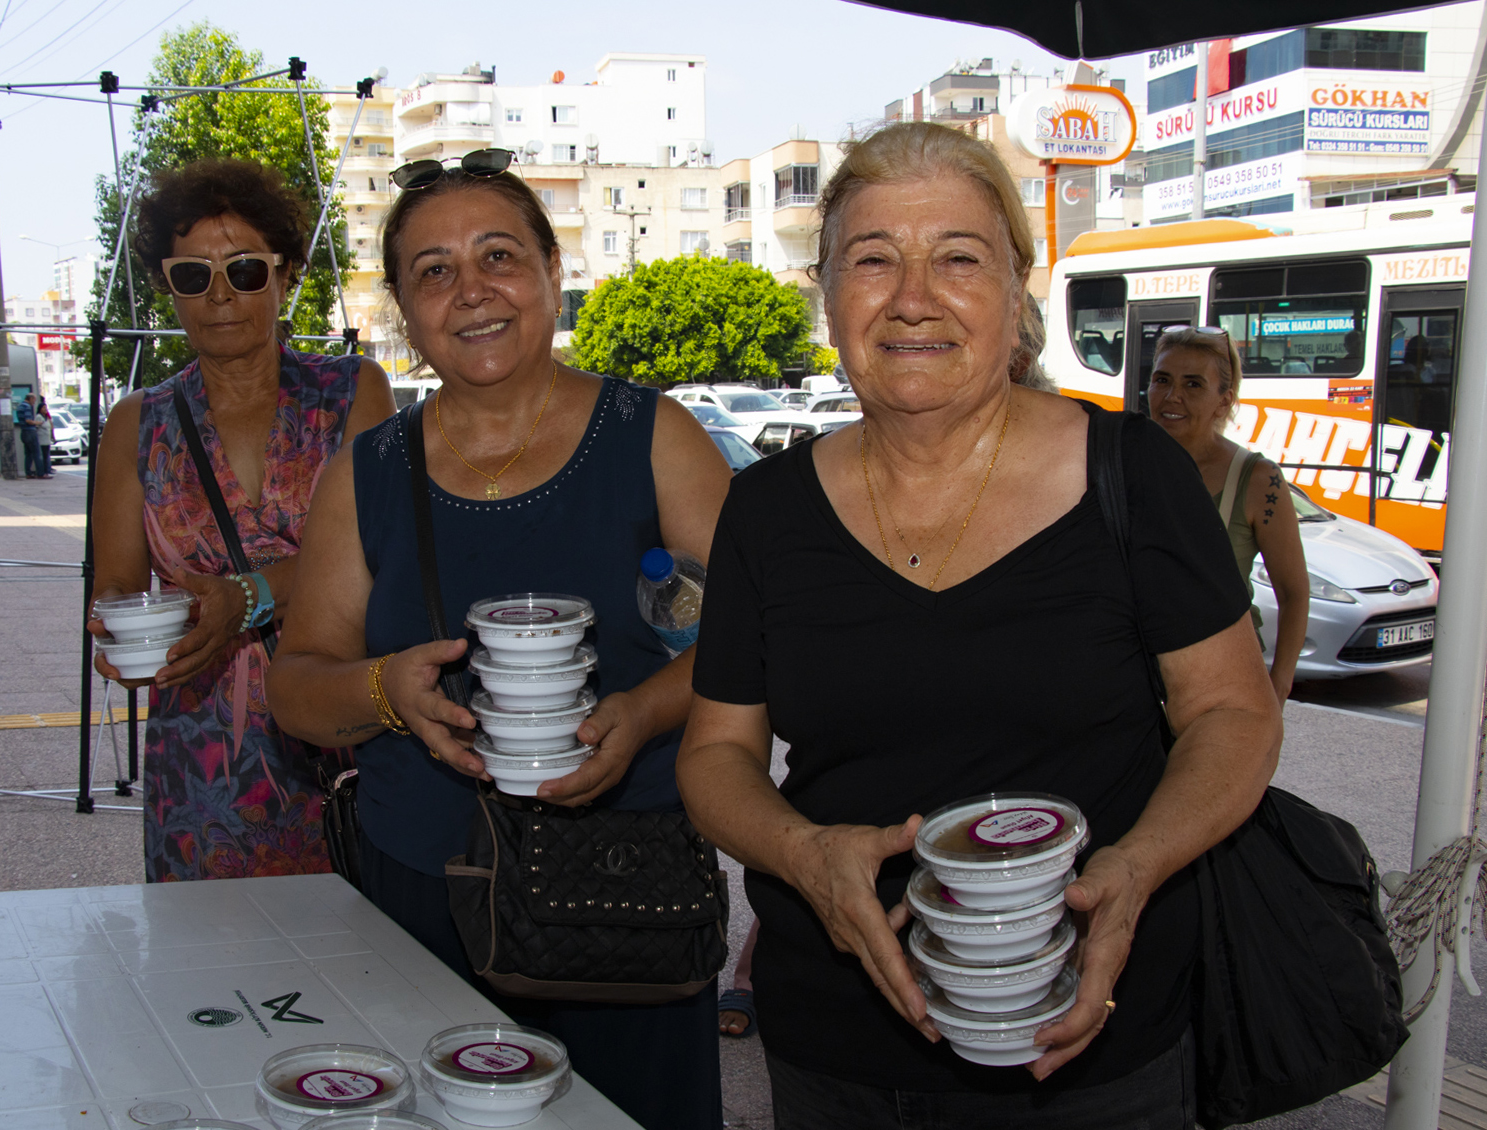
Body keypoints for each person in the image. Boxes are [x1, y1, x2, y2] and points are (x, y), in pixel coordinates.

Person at [676, 121, 1283, 1127]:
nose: (913, 295)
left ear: (1015, 294)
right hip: (839, 1043)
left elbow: (1235, 713)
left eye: (958, 257)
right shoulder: (767, 509)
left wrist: (1133, 869)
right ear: (827, 296)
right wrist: (802, 852)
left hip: (1090, 1040)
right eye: (873, 260)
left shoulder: (1135, 477)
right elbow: (715, 752)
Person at [266, 149, 731, 1130]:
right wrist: (387, 692)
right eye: (432, 270)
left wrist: (643, 712)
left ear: (553, 272)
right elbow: (296, 682)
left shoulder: (656, 438)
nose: (470, 290)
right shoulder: (366, 474)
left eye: (498, 255)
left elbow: (756, 633)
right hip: (422, 900)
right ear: (402, 304)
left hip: (626, 899)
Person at [87, 157, 396, 882]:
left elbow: (379, 554)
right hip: (201, 764)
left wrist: (247, 599)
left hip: (339, 729)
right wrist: (128, 636)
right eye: (191, 275)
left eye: (246, 271)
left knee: (367, 964)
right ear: (168, 288)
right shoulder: (137, 424)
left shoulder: (353, 391)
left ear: (285, 275)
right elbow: (117, 584)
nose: (220, 294)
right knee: (212, 975)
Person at [1149, 326, 1308, 700]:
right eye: (1162, 380)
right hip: (1137, 680)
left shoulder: (1257, 479)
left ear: (1224, 401)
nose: (1172, 396)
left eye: (1193, 385)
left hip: (1222, 683)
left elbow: (1294, 591)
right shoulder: (1124, 461)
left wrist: (1278, 687)